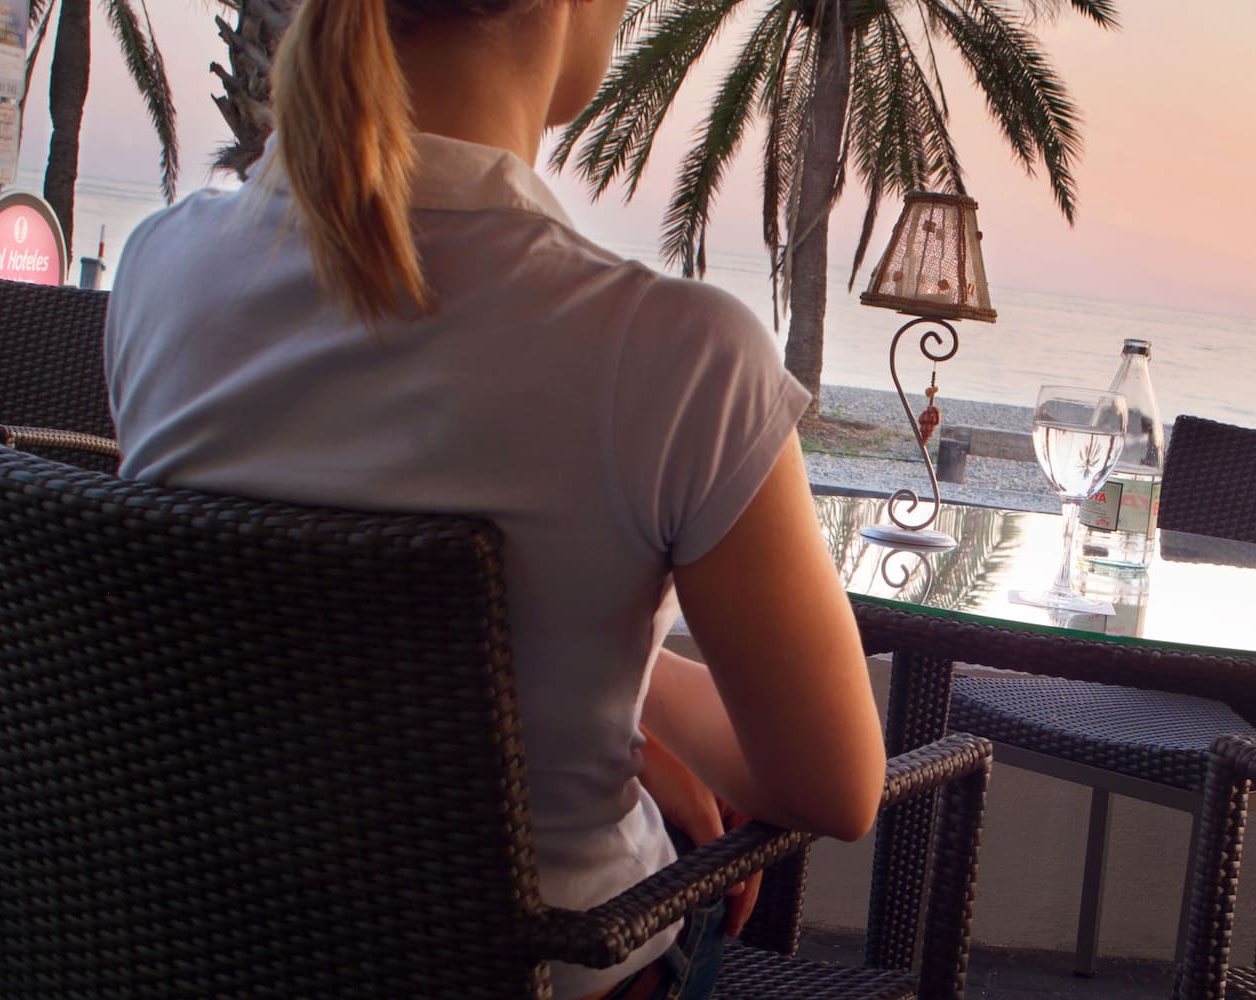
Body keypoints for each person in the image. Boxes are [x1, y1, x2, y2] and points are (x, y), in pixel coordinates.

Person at [102, 2, 887, 998]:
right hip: (543, 968)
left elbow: (269, 634)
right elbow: (832, 785)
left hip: (191, 947)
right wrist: (631, 683)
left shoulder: (161, 266)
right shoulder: (679, 355)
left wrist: (599, 687)